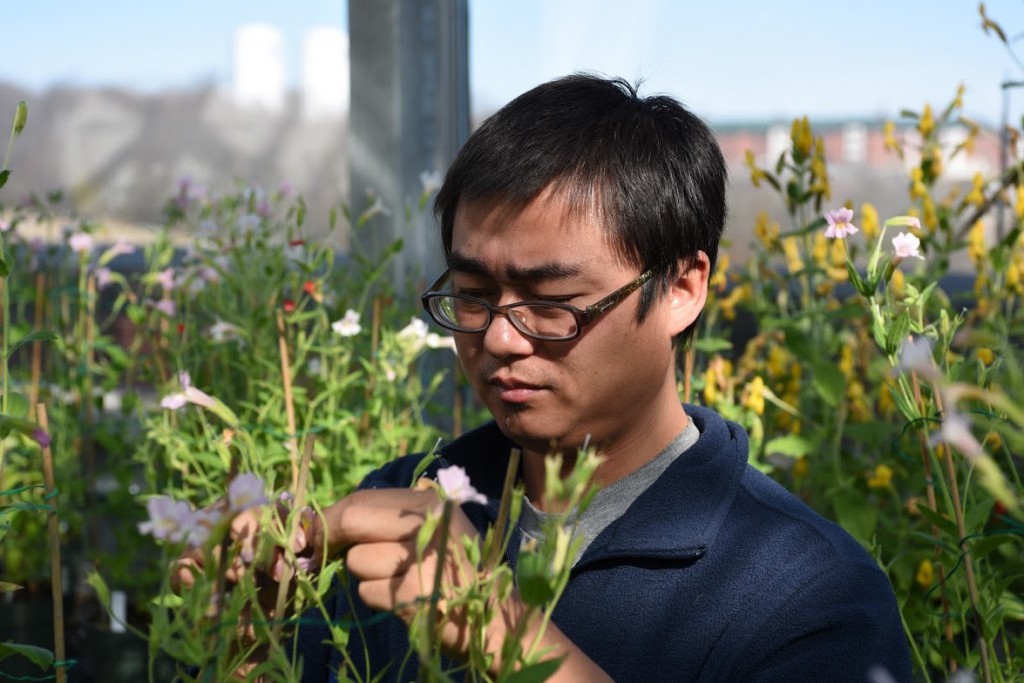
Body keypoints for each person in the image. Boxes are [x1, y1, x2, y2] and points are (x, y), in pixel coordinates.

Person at [188, 74, 914, 682]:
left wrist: (512, 639)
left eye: (552, 302)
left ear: (683, 288)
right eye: (473, 295)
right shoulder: (412, 499)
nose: (501, 337)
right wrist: (235, 635)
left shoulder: (805, 594)